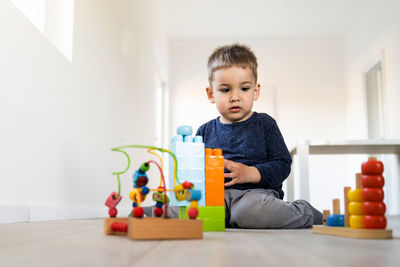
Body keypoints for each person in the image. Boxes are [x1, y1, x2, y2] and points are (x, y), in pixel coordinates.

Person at [194, 43, 322, 228]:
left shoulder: (265, 124)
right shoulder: (204, 132)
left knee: (249, 213)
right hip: (215, 198)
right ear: (210, 93)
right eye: (225, 90)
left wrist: (251, 173)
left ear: (256, 91)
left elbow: (283, 164)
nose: (235, 97)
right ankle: (146, 213)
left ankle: (305, 212)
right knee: (190, 211)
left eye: (244, 89)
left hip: (254, 196)